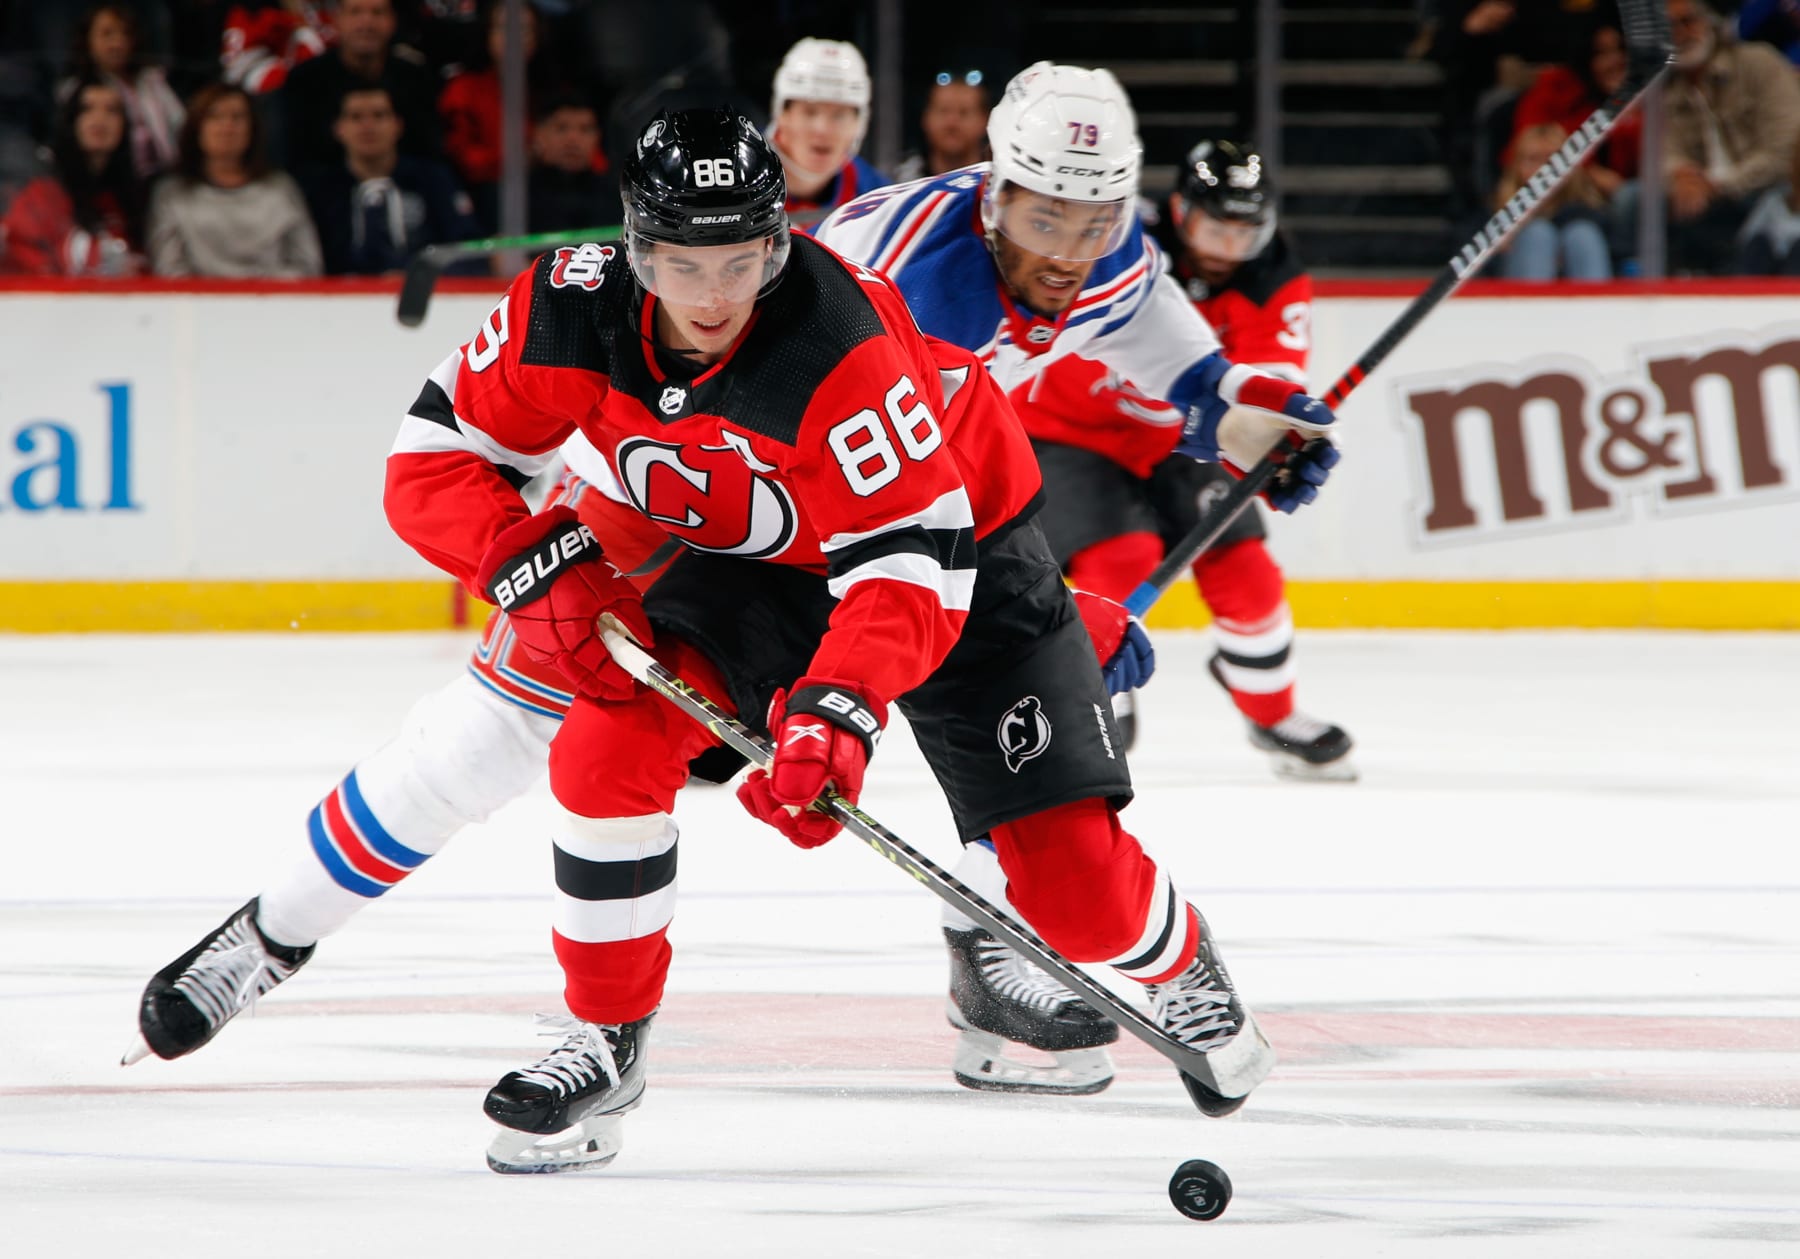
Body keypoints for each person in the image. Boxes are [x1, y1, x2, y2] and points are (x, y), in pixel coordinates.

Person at [131, 106, 1337, 1174]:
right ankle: (601, 1035)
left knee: (1073, 892)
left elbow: (909, 573)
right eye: (677, 263)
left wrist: (839, 714)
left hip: (954, 542)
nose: (711, 298)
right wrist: (524, 557)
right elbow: (434, 455)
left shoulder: (844, 344)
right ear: (632, 247)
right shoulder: (572, 301)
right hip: (743, 552)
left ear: (780, 244)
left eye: (741, 262)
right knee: (589, 736)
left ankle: (1177, 962)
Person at [810, 65, 1345, 1097]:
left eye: (1093, 218)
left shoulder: (1107, 254)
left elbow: (1189, 370)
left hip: (933, 501)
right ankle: (597, 1023)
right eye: (1046, 215)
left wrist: (1253, 420)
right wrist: (1057, 610)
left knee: (1050, 783)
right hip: (802, 510)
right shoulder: (909, 287)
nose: (1067, 250)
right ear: (995, 190)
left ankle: (995, 943)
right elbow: (898, 497)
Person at [1053, 138, 1357, 774]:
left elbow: (1265, 386)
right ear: (1179, 211)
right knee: (1122, 558)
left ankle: (1271, 712)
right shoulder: (1118, 237)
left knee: (1245, 569)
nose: (1226, 250)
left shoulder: (1273, 276)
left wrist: (1275, 436)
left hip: (1185, 436)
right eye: (1214, 228)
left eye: (1243, 235)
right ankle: (1099, 703)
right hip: (1066, 429)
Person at [1616, 0, 1800, 274]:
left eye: (1688, 21)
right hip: (1703, 198)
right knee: (1632, 198)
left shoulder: (1759, 63)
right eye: (1670, 28)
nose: (1681, 33)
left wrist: (1717, 184)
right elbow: (1665, 151)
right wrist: (1680, 175)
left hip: (1762, 186)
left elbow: (1785, 148)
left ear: (1709, 22)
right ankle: (1634, 280)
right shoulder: (1667, 88)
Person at [146, 82, 323, 276]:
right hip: (197, 304)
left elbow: (307, 265)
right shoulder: (173, 193)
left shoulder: (281, 188)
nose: (227, 127)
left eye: (237, 117)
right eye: (215, 117)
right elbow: (169, 269)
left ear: (252, 129)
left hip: (274, 302)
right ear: (197, 128)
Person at [298, 82, 477, 275]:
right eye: (356, 117)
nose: (368, 126)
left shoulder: (433, 180)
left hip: (422, 294)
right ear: (339, 128)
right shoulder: (320, 190)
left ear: (398, 125)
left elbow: (465, 249)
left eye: (379, 115)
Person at [0, 75, 145, 275]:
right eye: (87, 109)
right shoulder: (42, 193)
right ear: (71, 121)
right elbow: (27, 264)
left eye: (112, 111)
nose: (100, 119)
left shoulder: (129, 199)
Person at [280, 0, 442, 169]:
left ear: (393, 21)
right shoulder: (304, 81)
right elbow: (295, 156)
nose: (366, 23)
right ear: (337, 19)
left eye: (377, 12)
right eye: (355, 12)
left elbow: (429, 152)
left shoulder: (416, 79)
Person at [58, 2, 185, 179]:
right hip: (112, 180)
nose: (117, 43)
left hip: (166, 177)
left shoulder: (152, 80)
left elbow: (181, 124)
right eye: (107, 34)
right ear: (87, 39)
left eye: (125, 34)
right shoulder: (74, 90)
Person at [766, 37, 889, 216]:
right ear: (783, 115)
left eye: (839, 115)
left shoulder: (878, 199)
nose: (823, 129)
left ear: (859, 124)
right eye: (810, 112)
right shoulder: (734, 177)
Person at [1492, 121, 1612, 278]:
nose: (1543, 170)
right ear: (1516, 166)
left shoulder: (1593, 213)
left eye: (1551, 161)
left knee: (1582, 234)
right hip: (1510, 294)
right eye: (1533, 159)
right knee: (1538, 234)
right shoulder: (1496, 216)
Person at [891, 70, 990, 184]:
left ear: (985, 121)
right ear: (925, 118)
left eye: (964, 113)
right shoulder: (899, 182)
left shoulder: (1001, 184)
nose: (952, 123)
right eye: (943, 111)